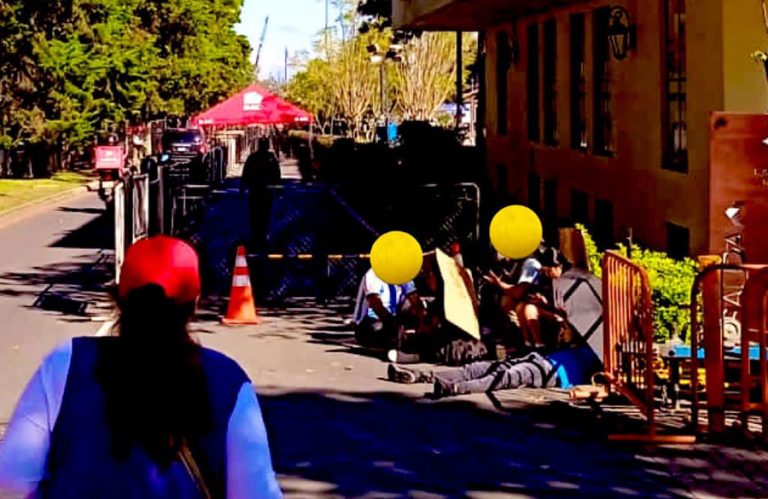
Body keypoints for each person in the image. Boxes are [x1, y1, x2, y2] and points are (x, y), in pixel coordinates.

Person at [0, 236, 282, 499]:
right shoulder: (228, 382)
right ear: (195, 304)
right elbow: (256, 492)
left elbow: (11, 481)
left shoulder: (67, 363)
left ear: (118, 300)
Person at [387, 330, 603, 399]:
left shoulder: (603, 361)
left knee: (504, 378)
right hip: (541, 358)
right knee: (479, 368)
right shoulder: (586, 337)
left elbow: (601, 385)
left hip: (553, 374)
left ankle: (452, 388)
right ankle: (419, 375)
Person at [484, 246, 568, 350]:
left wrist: (499, 283)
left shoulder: (567, 282)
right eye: (547, 269)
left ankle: (539, 345)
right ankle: (528, 343)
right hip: (551, 310)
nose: (549, 271)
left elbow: (564, 308)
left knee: (529, 310)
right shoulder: (550, 280)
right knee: (521, 307)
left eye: (552, 268)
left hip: (563, 317)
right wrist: (543, 301)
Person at [353, 267, 420, 351]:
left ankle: (403, 339)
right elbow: (375, 304)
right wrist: (394, 326)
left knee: (410, 304)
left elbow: (413, 296)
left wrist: (423, 320)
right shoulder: (372, 274)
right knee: (379, 329)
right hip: (371, 320)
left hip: (393, 317)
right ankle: (397, 341)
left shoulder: (401, 272)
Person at [241, 138, 281, 252]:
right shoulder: (268, 158)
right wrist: (278, 189)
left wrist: (243, 188)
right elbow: (277, 175)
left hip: (258, 191)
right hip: (261, 191)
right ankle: (260, 235)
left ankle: (259, 235)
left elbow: (246, 173)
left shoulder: (257, 158)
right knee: (261, 214)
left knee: (259, 214)